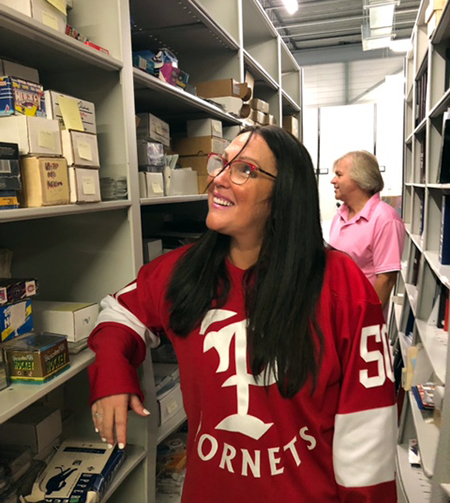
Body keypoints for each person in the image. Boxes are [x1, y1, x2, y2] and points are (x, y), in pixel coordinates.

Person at [88, 126, 397, 502]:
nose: (218, 179)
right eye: (221, 163)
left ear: (284, 193)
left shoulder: (341, 286)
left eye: (245, 169)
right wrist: (112, 376)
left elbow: (368, 432)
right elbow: (119, 313)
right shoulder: (183, 272)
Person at [329, 150, 406, 320]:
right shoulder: (339, 216)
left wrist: (365, 322)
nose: (333, 181)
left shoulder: (385, 219)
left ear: (360, 179)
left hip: (360, 322)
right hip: (337, 316)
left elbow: (386, 280)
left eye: (339, 175)